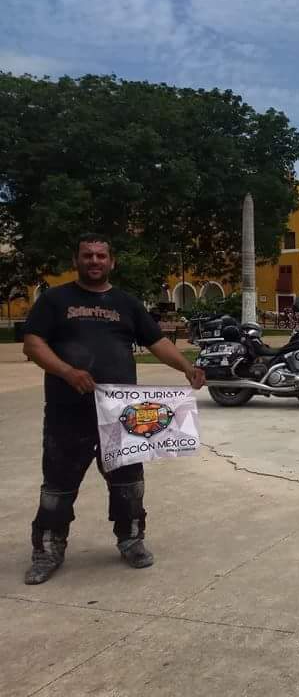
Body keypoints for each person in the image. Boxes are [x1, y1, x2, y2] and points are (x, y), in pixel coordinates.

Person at [21, 233, 205, 585]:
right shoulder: (55, 301)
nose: (94, 261)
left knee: (128, 485)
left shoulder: (126, 303)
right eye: (87, 255)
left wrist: (187, 367)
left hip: (122, 416)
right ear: (76, 260)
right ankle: (47, 550)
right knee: (58, 487)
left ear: (111, 262)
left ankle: (131, 539)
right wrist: (67, 372)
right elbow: (32, 343)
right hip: (67, 413)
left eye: (101, 256)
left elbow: (158, 342)